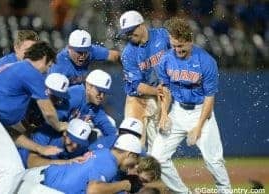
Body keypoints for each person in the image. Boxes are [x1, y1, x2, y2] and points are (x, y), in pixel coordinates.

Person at [0, 41, 68, 194]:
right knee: (13, 171)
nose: (46, 71)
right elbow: (48, 112)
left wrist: (39, 148)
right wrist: (59, 125)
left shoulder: (12, 71)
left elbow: (7, 132)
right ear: (43, 57)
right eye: (48, 66)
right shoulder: (29, 70)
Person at [152, 17, 231, 193]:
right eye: (174, 46)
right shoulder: (165, 60)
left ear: (190, 41)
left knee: (214, 160)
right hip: (177, 111)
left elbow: (210, 98)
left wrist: (199, 127)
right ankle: (183, 192)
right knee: (157, 158)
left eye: (181, 46)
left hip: (201, 112)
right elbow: (164, 89)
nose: (177, 50)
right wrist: (164, 114)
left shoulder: (206, 61)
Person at [16, 134, 142, 194]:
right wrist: (124, 185)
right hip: (41, 189)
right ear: (130, 154)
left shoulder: (104, 152)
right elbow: (93, 190)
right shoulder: (110, 164)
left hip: (38, 177)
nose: (134, 166)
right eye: (135, 161)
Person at [118, 10, 170, 150]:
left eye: (131, 30)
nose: (128, 35)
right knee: (133, 143)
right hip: (138, 99)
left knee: (159, 148)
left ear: (141, 25)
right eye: (126, 32)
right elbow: (137, 86)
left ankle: (157, 171)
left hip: (158, 95)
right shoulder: (128, 54)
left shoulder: (162, 35)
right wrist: (159, 91)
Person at [48, 29, 120, 85]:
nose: (82, 56)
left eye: (85, 52)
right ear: (69, 48)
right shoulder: (59, 65)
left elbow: (115, 55)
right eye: (79, 52)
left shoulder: (91, 51)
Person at [66, 69, 118, 144]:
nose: (102, 96)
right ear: (88, 86)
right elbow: (52, 119)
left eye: (104, 93)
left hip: (71, 140)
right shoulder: (74, 95)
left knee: (110, 123)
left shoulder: (95, 107)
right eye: (99, 91)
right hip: (53, 137)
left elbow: (109, 129)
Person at [27, 118, 92, 168]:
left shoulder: (81, 147)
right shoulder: (45, 134)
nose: (75, 146)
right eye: (73, 140)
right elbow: (31, 162)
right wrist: (66, 162)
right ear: (65, 133)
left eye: (79, 142)